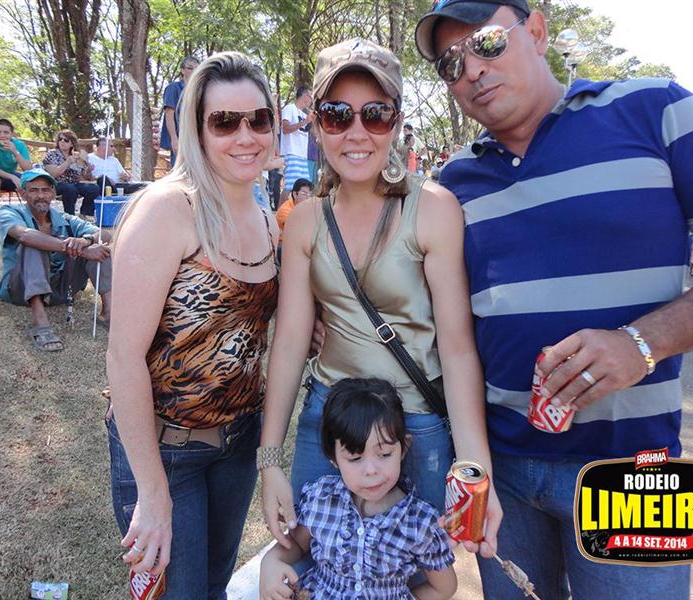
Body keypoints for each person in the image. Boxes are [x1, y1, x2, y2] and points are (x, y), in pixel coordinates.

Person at [414, 1, 693, 598]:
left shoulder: (655, 109)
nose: (472, 70)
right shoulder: (455, 183)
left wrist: (642, 344)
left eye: (487, 43)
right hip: (504, 474)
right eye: (450, 63)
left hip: (638, 478)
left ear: (537, 31)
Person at [259, 37, 501, 565]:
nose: (356, 133)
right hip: (329, 416)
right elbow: (291, 341)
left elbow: (458, 348)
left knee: (414, 575)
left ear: (396, 121)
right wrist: (270, 458)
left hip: (415, 424)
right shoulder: (305, 221)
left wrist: (474, 467)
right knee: (313, 564)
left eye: (375, 114)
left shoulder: (433, 208)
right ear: (317, 124)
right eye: (336, 115)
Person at [106, 52, 279, 599]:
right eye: (224, 122)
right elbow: (123, 358)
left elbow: (251, 321)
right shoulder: (166, 209)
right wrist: (152, 490)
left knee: (213, 587)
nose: (245, 136)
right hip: (166, 450)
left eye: (258, 119)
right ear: (197, 131)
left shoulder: (267, 216)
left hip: (238, 444)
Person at [259, 378, 457, 600]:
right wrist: (271, 561)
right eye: (355, 458)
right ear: (333, 458)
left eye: (384, 454)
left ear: (403, 448)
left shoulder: (420, 523)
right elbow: (296, 543)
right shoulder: (321, 500)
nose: (371, 470)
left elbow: (443, 587)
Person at [0, 168, 112, 352]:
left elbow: (104, 234)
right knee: (32, 243)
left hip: (61, 290)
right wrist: (81, 251)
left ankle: (108, 314)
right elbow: (24, 235)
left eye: (45, 190)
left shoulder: (64, 218)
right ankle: (40, 323)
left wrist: (86, 241)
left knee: (99, 248)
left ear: (53, 193)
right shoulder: (9, 211)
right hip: (21, 290)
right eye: (34, 190)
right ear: (23, 193)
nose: (41, 195)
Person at [0, 118, 34, 232]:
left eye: (6, 132)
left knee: (30, 182)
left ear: (11, 134)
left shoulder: (18, 145)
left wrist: (15, 152)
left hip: (9, 174)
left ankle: (33, 217)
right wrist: (12, 177)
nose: (2, 135)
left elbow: (28, 169)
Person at [42, 129, 99, 218]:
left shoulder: (76, 155)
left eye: (66, 140)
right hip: (56, 184)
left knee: (94, 188)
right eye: (60, 139)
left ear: (72, 143)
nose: (62, 141)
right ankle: (70, 216)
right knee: (70, 189)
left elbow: (84, 176)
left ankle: (85, 214)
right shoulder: (52, 154)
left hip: (74, 184)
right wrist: (67, 162)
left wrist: (88, 170)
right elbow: (54, 174)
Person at [159, 55, 200, 166]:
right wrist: (174, 140)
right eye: (190, 68)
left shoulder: (200, 91)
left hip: (197, 140)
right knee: (181, 170)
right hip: (181, 139)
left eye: (197, 68)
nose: (194, 71)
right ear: (182, 70)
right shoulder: (173, 88)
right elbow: (169, 115)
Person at [280, 84, 315, 204]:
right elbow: (285, 129)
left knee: (304, 187)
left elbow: (312, 133)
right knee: (290, 186)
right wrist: (305, 122)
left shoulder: (305, 114)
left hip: (302, 155)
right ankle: (281, 212)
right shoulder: (290, 108)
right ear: (304, 95)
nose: (311, 100)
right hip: (291, 152)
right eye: (310, 97)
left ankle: (297, 212)